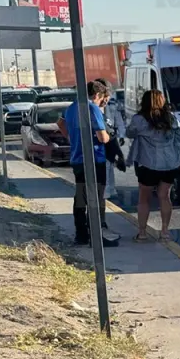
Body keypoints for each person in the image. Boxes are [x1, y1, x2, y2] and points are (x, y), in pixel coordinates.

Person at [58, 81, 117, 247]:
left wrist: (71, 138)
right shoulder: (92, 108)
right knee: (96, 199)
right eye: (100, 98)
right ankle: (96, 236)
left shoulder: (71, 108)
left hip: (77, 159)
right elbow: (102, 137)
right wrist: (109, 136)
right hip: (94, 159)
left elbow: (60, 124)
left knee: (80, 198)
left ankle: (81, 235)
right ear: (96, 95)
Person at [126, 89, 180, 242]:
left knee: (143, 198)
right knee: (164, 196)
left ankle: (142, 233)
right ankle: (165, 231)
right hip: (169, 164)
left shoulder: (139, 119)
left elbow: (129, 133)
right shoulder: (171, 118)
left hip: (147, 164)